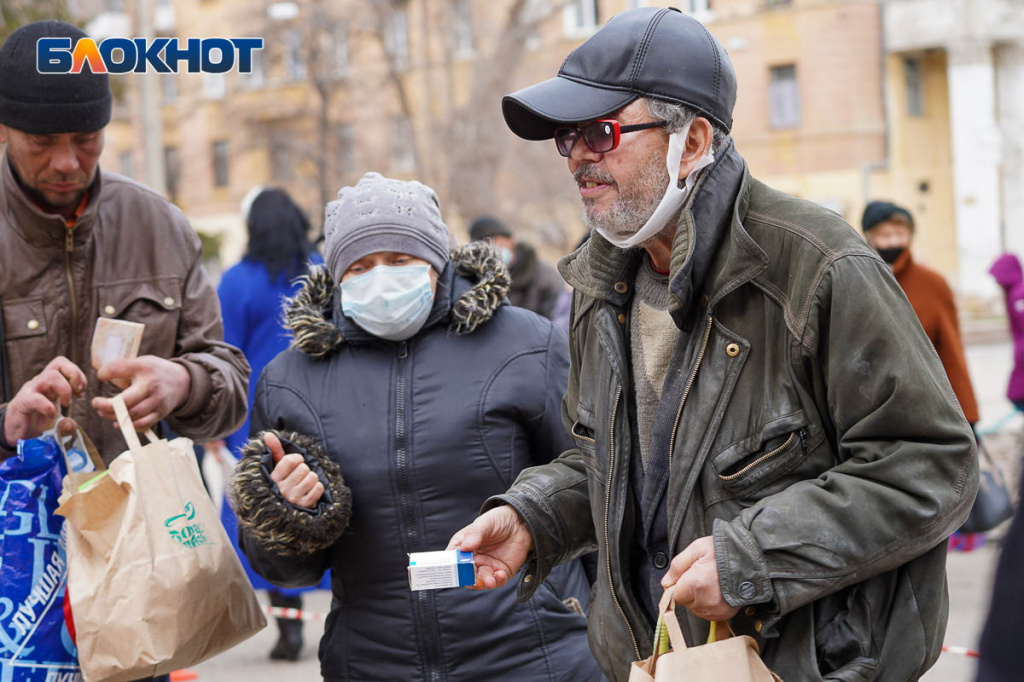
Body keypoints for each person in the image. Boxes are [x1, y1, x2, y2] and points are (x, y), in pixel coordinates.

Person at [447, 7, 978, 681]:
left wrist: (755, 557)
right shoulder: (595, 281)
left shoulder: (819, 267)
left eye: (601, 131)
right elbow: (604, 466)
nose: (578, 154)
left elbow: (933, 463)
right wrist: (534, 518)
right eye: (567, 137)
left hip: (804, 665)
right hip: (655, 661)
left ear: (693, 141)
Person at [231, 173, 601, 680]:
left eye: (399, 260)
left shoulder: (526, 345)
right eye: (359, 266)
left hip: (534, 656)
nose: (380, 278)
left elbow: (595, 485)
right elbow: (283, 570)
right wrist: (289, 516)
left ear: (436, 260)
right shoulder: (290, 381)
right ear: (337, 277)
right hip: (374, 663)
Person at [0, 20, 249, 682]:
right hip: (11, 585)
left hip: (135, 579)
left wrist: (184, 383)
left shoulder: (160, 228)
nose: (65, 162)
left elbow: (229, 380)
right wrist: (6, 424)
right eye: (41, 142)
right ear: (3, 127)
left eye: (85, 140)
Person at [216, 187, 324, 661]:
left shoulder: (237, 282)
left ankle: (287, 621)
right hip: (322, 406)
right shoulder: (321, 268)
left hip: (258, 417)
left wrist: (217, 427)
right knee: (326, 501)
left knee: (268, 513)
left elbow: (224, 354)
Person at [861, 201, 981, 424]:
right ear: (869, 237)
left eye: (900, 233)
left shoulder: (933, 284)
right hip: (873, 409)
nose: (894, 242)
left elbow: (951, 349)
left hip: (927, 407)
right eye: (885, 235)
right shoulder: (858, 281)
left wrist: (967, 414)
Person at [469, 215, 569, 322]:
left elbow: (559, 324)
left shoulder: (545, 277)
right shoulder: (478, 280)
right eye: (481, 246)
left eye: (493, 241)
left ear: (510, 241)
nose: (489, 250)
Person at [989, 254, 1024, 412]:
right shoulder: (1016, 293)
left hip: (1022, 359)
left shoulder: (1019, 295)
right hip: (1020, 357)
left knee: (1017, 396)